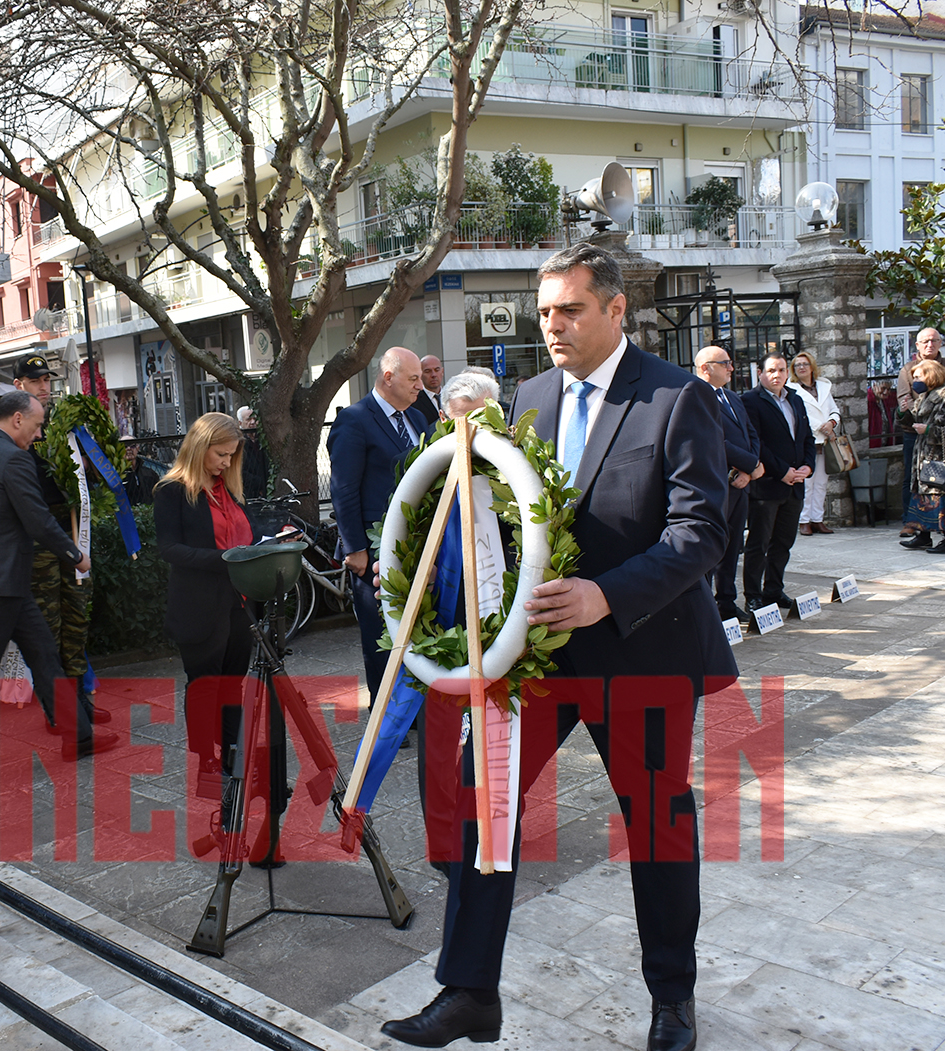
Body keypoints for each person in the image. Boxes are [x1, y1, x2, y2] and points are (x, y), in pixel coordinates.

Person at [382, 243, 733, 1051]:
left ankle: (671, 999)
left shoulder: (676, 397)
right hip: (536, 656)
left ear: (616, 310)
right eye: (544, 311)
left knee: (656, 823)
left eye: (569, 309)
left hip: (640, 650)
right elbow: (512, 518)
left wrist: (605, 594)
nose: (552, 325)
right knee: (485, 802)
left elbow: (701, 532)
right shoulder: (529, 396)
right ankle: (470, 991)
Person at [0, 391, 115, 770]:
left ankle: (79, 737)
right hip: (3, 582)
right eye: (37, 426)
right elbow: (38, 520)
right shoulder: (13, 460)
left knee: (43, 654)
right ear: (17, 419)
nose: (39, 435)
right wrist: (75, 555)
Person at [327, 346, 430, 702]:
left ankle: (412, 710)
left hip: (412, 543)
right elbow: (343, 489)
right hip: (371, 548)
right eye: (413, 379)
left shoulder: (416, 419)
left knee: (414, 629)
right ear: (389, 377)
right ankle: (385, 718)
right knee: (380, 633)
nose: (420, 386)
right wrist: (354, 547)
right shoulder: (354, 420)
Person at [153, 413, 253, 769]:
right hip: (197, 606)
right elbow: (169, 549)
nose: (227, 463)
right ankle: (205, 759)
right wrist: (225, 559)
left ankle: (232, 755)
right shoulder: (172, 490)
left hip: (238, 604)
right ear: (200, 447)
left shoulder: (228, 487)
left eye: (231, 456)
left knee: (231, 686)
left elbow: (245, 533)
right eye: (221, 455)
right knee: (204, 687)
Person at [12, 353, 103, 740]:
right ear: (19, 386)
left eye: (47, 380)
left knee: (77, 616)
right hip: (38, 541)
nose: (44, 387)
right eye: (35, 382)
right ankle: (59, 709)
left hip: (70, 530)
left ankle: (80, 698)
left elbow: (91, 481)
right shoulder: (16, 430)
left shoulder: (63, 425)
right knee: (48, 626)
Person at [741, 353, 815, 612]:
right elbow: (755, 443)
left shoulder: (795, 398)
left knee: (783, 542)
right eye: (771, 370)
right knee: (758, 543)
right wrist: (782, 470)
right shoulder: (750, 401)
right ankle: (753, 595)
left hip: (795, 485)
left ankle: (774, 589)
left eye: (782, 370)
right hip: (768, 485)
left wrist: (808, 465)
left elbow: (807, 436)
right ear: (760, 372)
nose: (777, 375)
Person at [695, 345, 762, 621]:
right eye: (725, 364)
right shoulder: (694, 398)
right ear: (705, 368)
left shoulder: (732, 397)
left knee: (733, 547)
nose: (731, 369)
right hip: (716, 485)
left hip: (740, 487)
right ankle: (704, 608)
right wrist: (750, 465)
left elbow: (750, 435)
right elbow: (714, 442)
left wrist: (751, 467)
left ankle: (726, 602)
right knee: (712, 547)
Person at [897, 328, 945, 535]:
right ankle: (921, 532)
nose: (915, 380)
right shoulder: (925, 393)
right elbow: (910, 413)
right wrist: (903, 412)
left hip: (940, 452)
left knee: (941, 495)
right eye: (914, 376)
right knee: (919, 491)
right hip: (921, 449)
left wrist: (928, 430)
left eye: (919, 376)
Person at [786, 349, 841, 535]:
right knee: (807, 483)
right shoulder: (791, 389)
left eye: (805, 364)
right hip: (807, 440)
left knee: (821, 483)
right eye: (797, 365)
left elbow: (834, 409)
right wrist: (821, 426)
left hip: (825, 441)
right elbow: (799, 415)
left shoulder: (824, 386)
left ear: (812, 367)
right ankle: (804, 521)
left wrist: (832, 423)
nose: (801, 367)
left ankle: (818, 519)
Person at [237, 406, 271, 499]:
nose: (252, 422)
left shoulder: (264, 439)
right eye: (248, 419)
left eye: (254, 419)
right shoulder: (238, 443)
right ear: (240, 423)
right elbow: (240, 471)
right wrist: (260, 483)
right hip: (248, 494)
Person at [414, 354, 444, 425]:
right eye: (427, 371)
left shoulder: (453, 396)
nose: (433, 375)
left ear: (442, 371)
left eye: (437, 370)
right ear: (420, 374)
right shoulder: (414, 400)